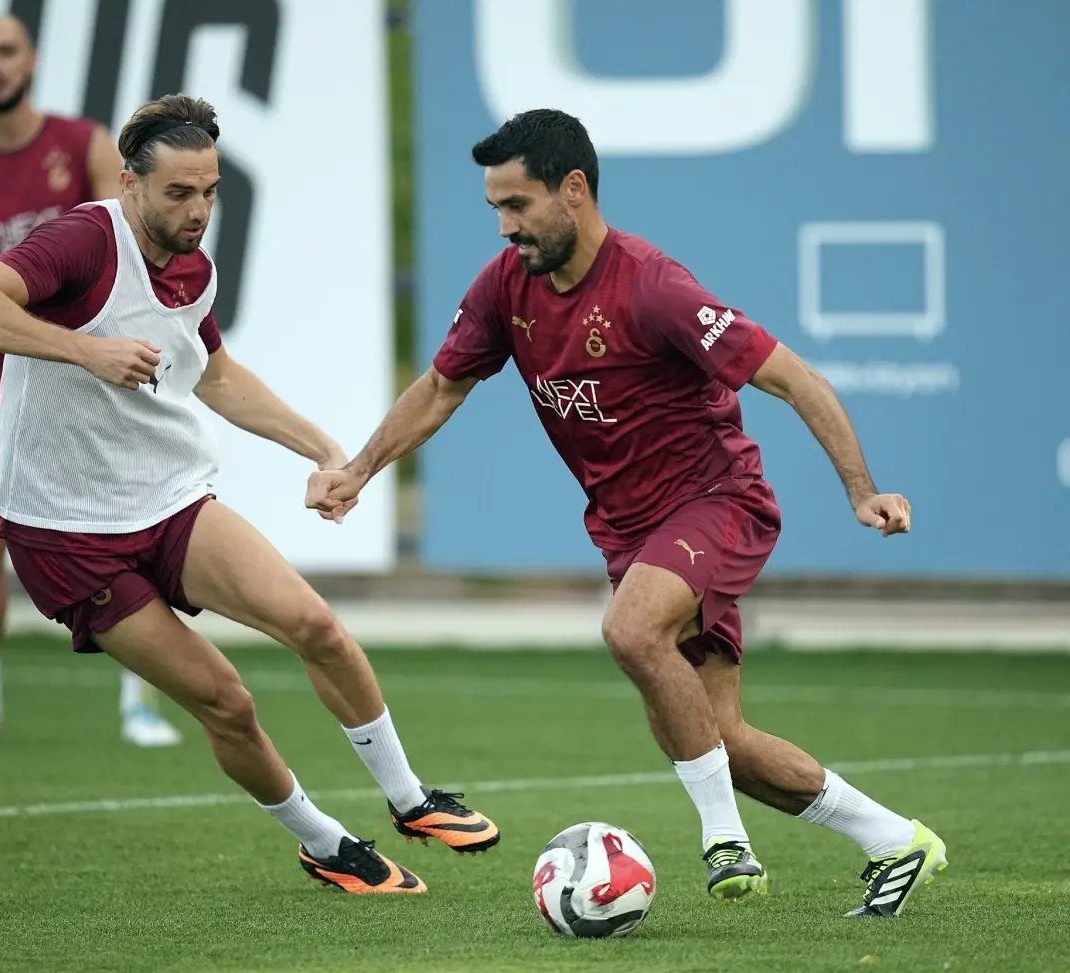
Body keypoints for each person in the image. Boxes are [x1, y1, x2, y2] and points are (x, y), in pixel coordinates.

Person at [306, 109, 947, 917]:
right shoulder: (505, 287)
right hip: (632, 533)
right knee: (722, 737)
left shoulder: (653, 286)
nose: (505, 226)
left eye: (518, 205)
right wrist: (360, 469)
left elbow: (795, 378)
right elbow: (441, 387)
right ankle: (896, 839)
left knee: (631, 629)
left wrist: (861, 489)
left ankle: (726, 840)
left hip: (718, 501)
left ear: (573, 189)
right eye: (495, 208)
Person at [0, 93, 498, 893]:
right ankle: (326, 843)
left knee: (317, 625)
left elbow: (218, 376)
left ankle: (411, 799)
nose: (198, 210)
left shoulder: (193, 265)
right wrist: (85, 352)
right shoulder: (82, 241)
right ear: (130, 183)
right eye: (178, 193)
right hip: (65, 533)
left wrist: (324, 448)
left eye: (209, 191)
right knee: (226, 701)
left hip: (167, 499)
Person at [0, 14, 180, 751]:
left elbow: (131, 242)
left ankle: (142, 697)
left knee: (135, 528)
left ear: (32, 62)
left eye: (6, 52)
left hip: (94, 370)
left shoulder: (83, 145)